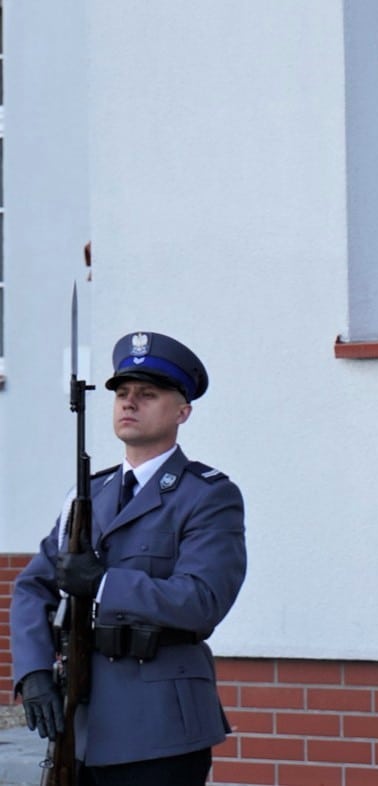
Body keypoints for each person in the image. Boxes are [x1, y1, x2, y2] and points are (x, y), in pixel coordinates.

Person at [11, 331, 247, 786]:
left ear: (182, 411)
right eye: (122, 393)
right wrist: (35, 671)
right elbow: (33, 586)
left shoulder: (208, 496)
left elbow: (202, 599)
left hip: (159, 725)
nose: (129, 403)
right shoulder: (88, 495)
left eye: (147, 394)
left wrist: (102, 583)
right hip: (81, 719)